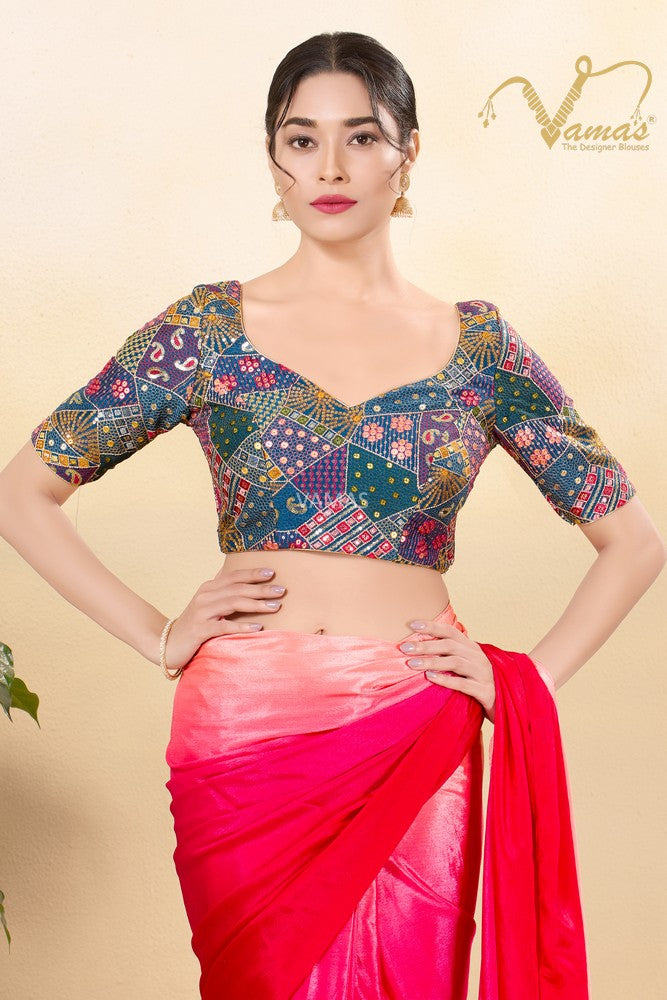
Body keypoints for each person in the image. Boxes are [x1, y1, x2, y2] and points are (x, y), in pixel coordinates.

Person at [2, 29, 664, 1000]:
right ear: (272, 157)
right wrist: (158, 633)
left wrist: (524, 679)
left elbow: (631, 541)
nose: (330, 168)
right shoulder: (205, 331)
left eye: (361, 137)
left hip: (413, 719)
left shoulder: (479, 348)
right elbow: (22, 491)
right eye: (301, 140)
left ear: (408, 152)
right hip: (241, 732)